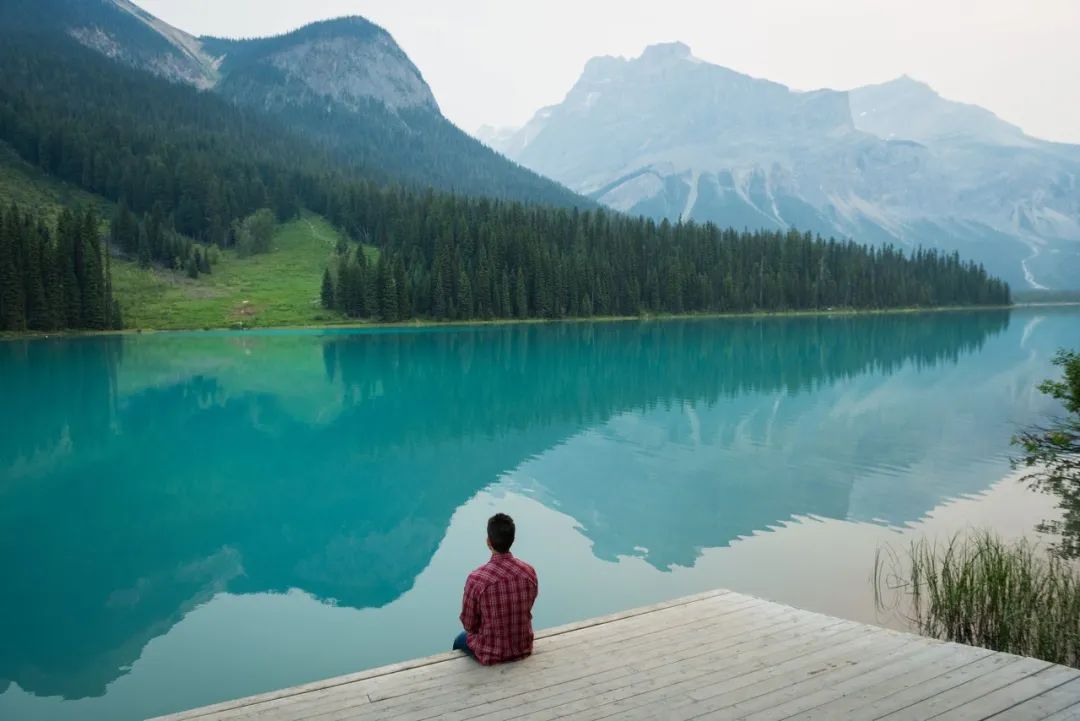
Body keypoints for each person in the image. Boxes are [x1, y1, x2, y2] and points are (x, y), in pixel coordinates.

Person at [453, 513, 539, 665]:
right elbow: (527, 607)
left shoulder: (477, 579)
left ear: (488, 542)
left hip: (490, 653)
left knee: (459, 639)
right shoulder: (529, 572)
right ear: (513, 540)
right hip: (523, 647)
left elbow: (469, 625)